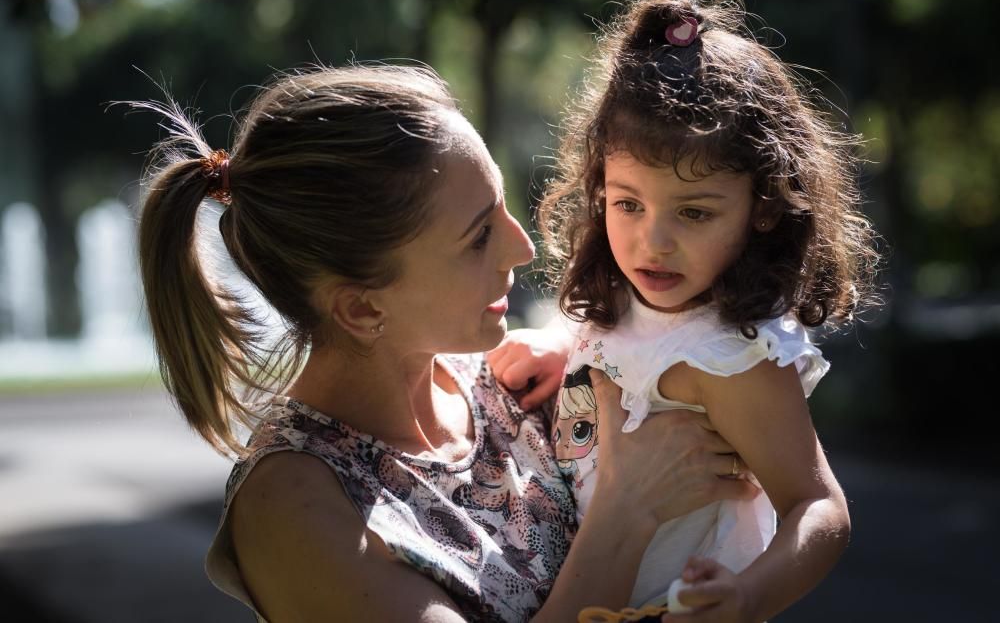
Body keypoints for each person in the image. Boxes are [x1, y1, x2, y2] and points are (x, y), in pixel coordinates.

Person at [131, 63, 759, 622]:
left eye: (502, 206)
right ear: (361, 305)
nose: (524, 249)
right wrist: (628, 513)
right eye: (478, 237)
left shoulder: (502, 375)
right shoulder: (296, 505)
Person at [491, 0, 881, 622]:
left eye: (694, 213)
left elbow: (819, 508)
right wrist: (567, 358)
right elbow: (631, 365)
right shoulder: (626, 299)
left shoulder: (730, 358)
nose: (653, 243)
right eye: (627, 204)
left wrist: (752, 594)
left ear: (762, 207)